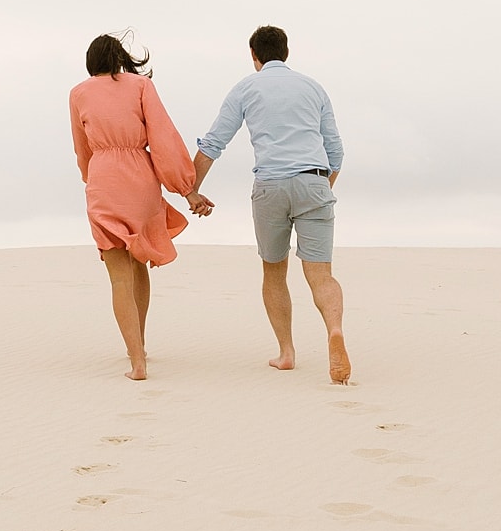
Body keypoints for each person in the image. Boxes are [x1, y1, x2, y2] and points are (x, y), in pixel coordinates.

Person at [188, 25, 351, 383]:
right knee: (321, 274)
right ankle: (334, 331)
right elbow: (335, 151)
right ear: (287, 52)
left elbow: (215, 142)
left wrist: (192, 189)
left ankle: (286, 353)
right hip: (314, 180)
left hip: (271, 186)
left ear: (254, 56)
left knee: (274, 271)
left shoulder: (246, 88)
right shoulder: (313, 88)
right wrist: (321, 187)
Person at [70, 34, 211, 380]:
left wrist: (93, 179)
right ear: (119, 59)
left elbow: (82, 149)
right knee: (138, 264)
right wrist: (186, 189)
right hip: (140, 179)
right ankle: (142, 344)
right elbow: (163, 137)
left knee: (118, 276)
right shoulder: (139, 86)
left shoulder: (78, 93)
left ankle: (136, 359)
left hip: (103, 179)